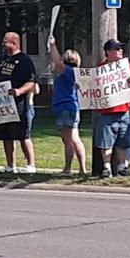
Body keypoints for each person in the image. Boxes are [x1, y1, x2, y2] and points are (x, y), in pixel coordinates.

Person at [94, 39, 130, 178]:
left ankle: (122, 166)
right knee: (106, 141)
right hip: (107, 111)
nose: (120, 50)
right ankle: (107, 167)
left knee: (124, 141)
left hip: (125, 110)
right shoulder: (101, 68)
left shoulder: (127, 66)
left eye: (121, 48)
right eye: (116, 48)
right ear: (108, 52)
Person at [0, 32, 38, 173]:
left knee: (23, 135)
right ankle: (10, 165)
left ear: (14, 43)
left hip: (20, 104)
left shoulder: (24, 61)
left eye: (6, 42)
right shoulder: (2, 59)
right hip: (3, 104)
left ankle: (30, 165)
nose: (3, 45)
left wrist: (18, 91)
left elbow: (31, 82)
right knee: (6, 135)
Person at [48, 37, 86, 177]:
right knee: (74, 138)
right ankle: (82, 169)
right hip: (71, 108)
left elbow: (57, 62)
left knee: (68, 140)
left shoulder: (68, 71)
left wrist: (52, 45)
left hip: (65, 108)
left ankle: (68, 169)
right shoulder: (74, 74)